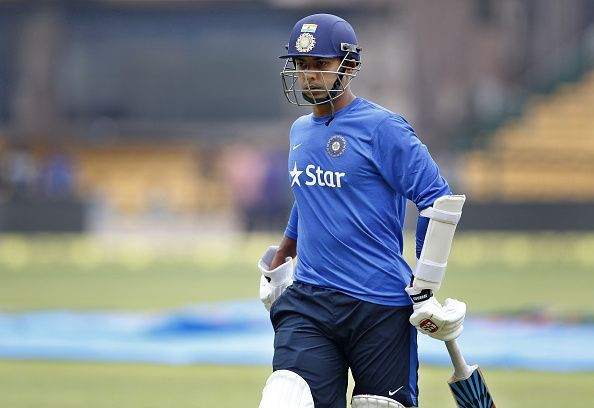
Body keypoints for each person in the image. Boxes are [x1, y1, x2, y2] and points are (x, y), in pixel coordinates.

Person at [258, 14, 467, 408]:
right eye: (302, 66)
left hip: (379, 306)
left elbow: (437, 200)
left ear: (349, 66)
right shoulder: (299, 131)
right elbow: (308, 197)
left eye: (320, 65)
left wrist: (424, 288)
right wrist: (283, 256)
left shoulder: (383, 128)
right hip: (310, 302)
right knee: (285, 400)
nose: (309, 76)